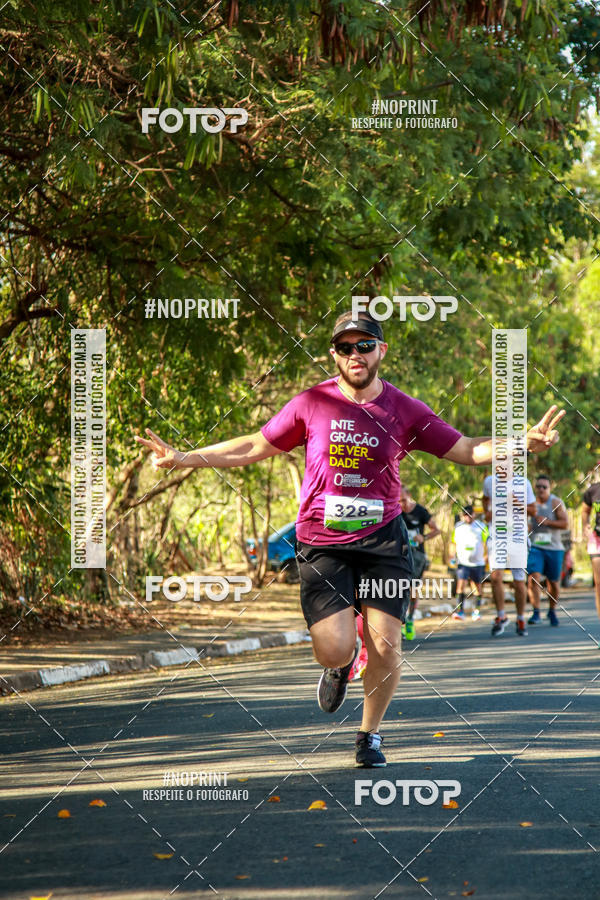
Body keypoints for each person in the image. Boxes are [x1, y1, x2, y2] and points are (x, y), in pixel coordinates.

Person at [135, 310, 564, 768]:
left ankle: (370, 736)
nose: (355, 354)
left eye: (364, 345)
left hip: (384, 543)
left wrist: (519, 443)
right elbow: (254, 446)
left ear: (382, 351)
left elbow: (464, 449)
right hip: (322, 542)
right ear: (334, 355)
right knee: (335, 646)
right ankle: (340, 665)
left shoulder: (404, 408)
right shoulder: (311, 403)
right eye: (345, 347)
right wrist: (184, 457)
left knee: (386, 644)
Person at [482, 474, 537, 637]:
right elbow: (485, 499)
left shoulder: (523, 483)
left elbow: (533, 510)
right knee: (496, 577)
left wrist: (516, 502)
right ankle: (501, 615)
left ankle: (520, 618)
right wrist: (488, 511)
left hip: (517, 537)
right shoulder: (489, 481)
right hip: (497, 536)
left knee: (519, 582)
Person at [399, 486, 441, 639]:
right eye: (398, 501)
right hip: (400, 555)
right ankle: (400, 623)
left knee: (412, 589)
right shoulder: (395, 511)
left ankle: (410, 619)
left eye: (403, 500)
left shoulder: (420, 511)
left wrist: (424, 538)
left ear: (409, 495)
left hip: (417, 556)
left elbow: (437, 530)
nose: (402, 504)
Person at [527, 475, 568, 626]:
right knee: (533, 577)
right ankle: (536, 612)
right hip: (536, 547)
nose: (541, 490)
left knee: (553, 583)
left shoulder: (556, 502)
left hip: (554, 548)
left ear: (549, 488)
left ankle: (552, 610)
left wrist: (548, 522)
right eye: (538, 487)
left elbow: (565, 524)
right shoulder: (531, 503)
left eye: (544, 487)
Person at [449, 504, 488, 620]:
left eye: (470, 514)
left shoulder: (481, 526)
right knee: (460, 585)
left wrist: (486, 557)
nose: (468, 517)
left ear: (474, 514)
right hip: (463, 562)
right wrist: (451, 556)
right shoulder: (458, 527)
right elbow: (453, 543)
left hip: (478, 563)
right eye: (465, 515)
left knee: (476, 586)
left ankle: (476, 611)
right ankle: (460, 611)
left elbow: (487, 543)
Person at [581, 478, 600, 642]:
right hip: (597, 540)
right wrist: (585, 526)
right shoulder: (593, 490)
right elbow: (585, 511)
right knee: (599, 583)